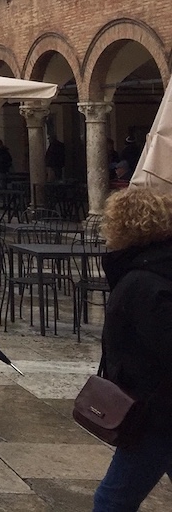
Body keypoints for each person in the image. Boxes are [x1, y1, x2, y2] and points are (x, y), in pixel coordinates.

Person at [91, 187, 172, 511]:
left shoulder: (143, 282)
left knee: (111, 502)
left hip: (155, 412)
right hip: (156, 407)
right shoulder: (149, 271)